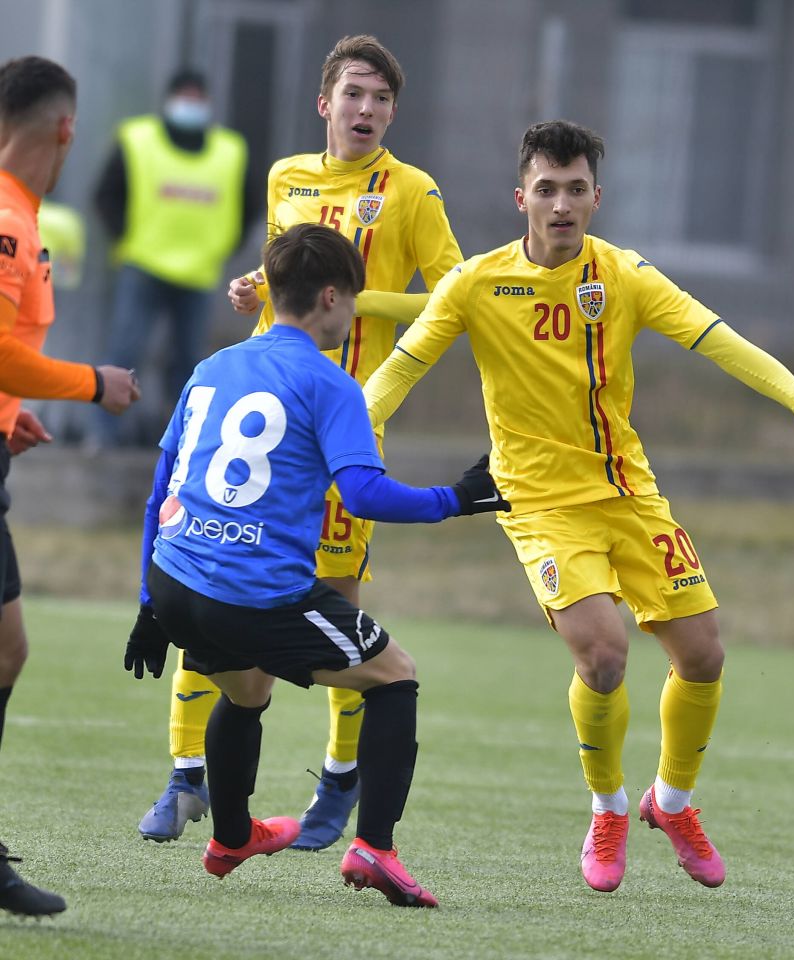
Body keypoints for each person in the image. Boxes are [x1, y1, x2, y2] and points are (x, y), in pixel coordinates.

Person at [362, 120, 794, 893]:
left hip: (629, 494)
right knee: (602, 655)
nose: (560, 204)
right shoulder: (475, 284)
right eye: (545, 189)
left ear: (597, 196)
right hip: (537, 503)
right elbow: (397, 372)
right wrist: (340, 445)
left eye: (574, 189)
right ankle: (608, 808)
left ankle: (673, 803)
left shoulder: (624, 276)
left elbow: (718, 339)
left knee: (703, 655)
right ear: (520, 196)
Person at [139, 34, 462, 851]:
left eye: (382, 99)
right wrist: (258, 287)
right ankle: (184, 778)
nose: (367, 110)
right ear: (326, 103)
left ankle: (338, 780)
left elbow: (452, 299)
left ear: (394, 111)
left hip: (348, 428)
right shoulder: (286, 175)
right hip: (269, 422)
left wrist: (354, 296)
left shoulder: (413, 191)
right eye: (354, 94)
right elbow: (277, 287)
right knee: (216, 587)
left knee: (342, 607)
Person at [126, 222, 506, 908]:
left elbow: (161, 492)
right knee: (395, 676)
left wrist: (149, 608)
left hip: (174, 580)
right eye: (353, 300)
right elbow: (362, 493)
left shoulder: (212, 367)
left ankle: (233, 835)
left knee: (246, 689)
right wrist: (456, 499)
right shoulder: (332, 385)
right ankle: (376, 848)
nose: (353, 313)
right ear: (331, 297)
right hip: (253, 593)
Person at [0, 54, 140, 918]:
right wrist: (92, 382)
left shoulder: (22, 215)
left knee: (7, 651)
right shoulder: (8, 221)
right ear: (66, 129)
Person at [91, 68, 252, 447]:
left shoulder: (230, 151)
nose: (191, 104)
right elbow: (106, 195)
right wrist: (126, 238)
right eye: (185, 96)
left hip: (198, 273)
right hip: (143, 265)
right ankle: (103, 437)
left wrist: (221, 246)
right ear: (169, 99)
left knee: (188, 365)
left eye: (198, 97)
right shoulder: (138, 139)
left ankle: (180, 443)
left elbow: (245, 208)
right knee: (125, 352)